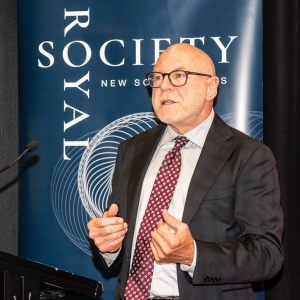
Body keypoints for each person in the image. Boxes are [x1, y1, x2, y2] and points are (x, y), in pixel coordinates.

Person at [87, 43, 283, 300]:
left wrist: (193, 255)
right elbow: (120, 251)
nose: (164, 86)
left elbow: (267, 256)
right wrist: (109, 246)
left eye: (179, 76)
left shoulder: (248, 156)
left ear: (210, 87)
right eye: (157, 78)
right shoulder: (131, 150)